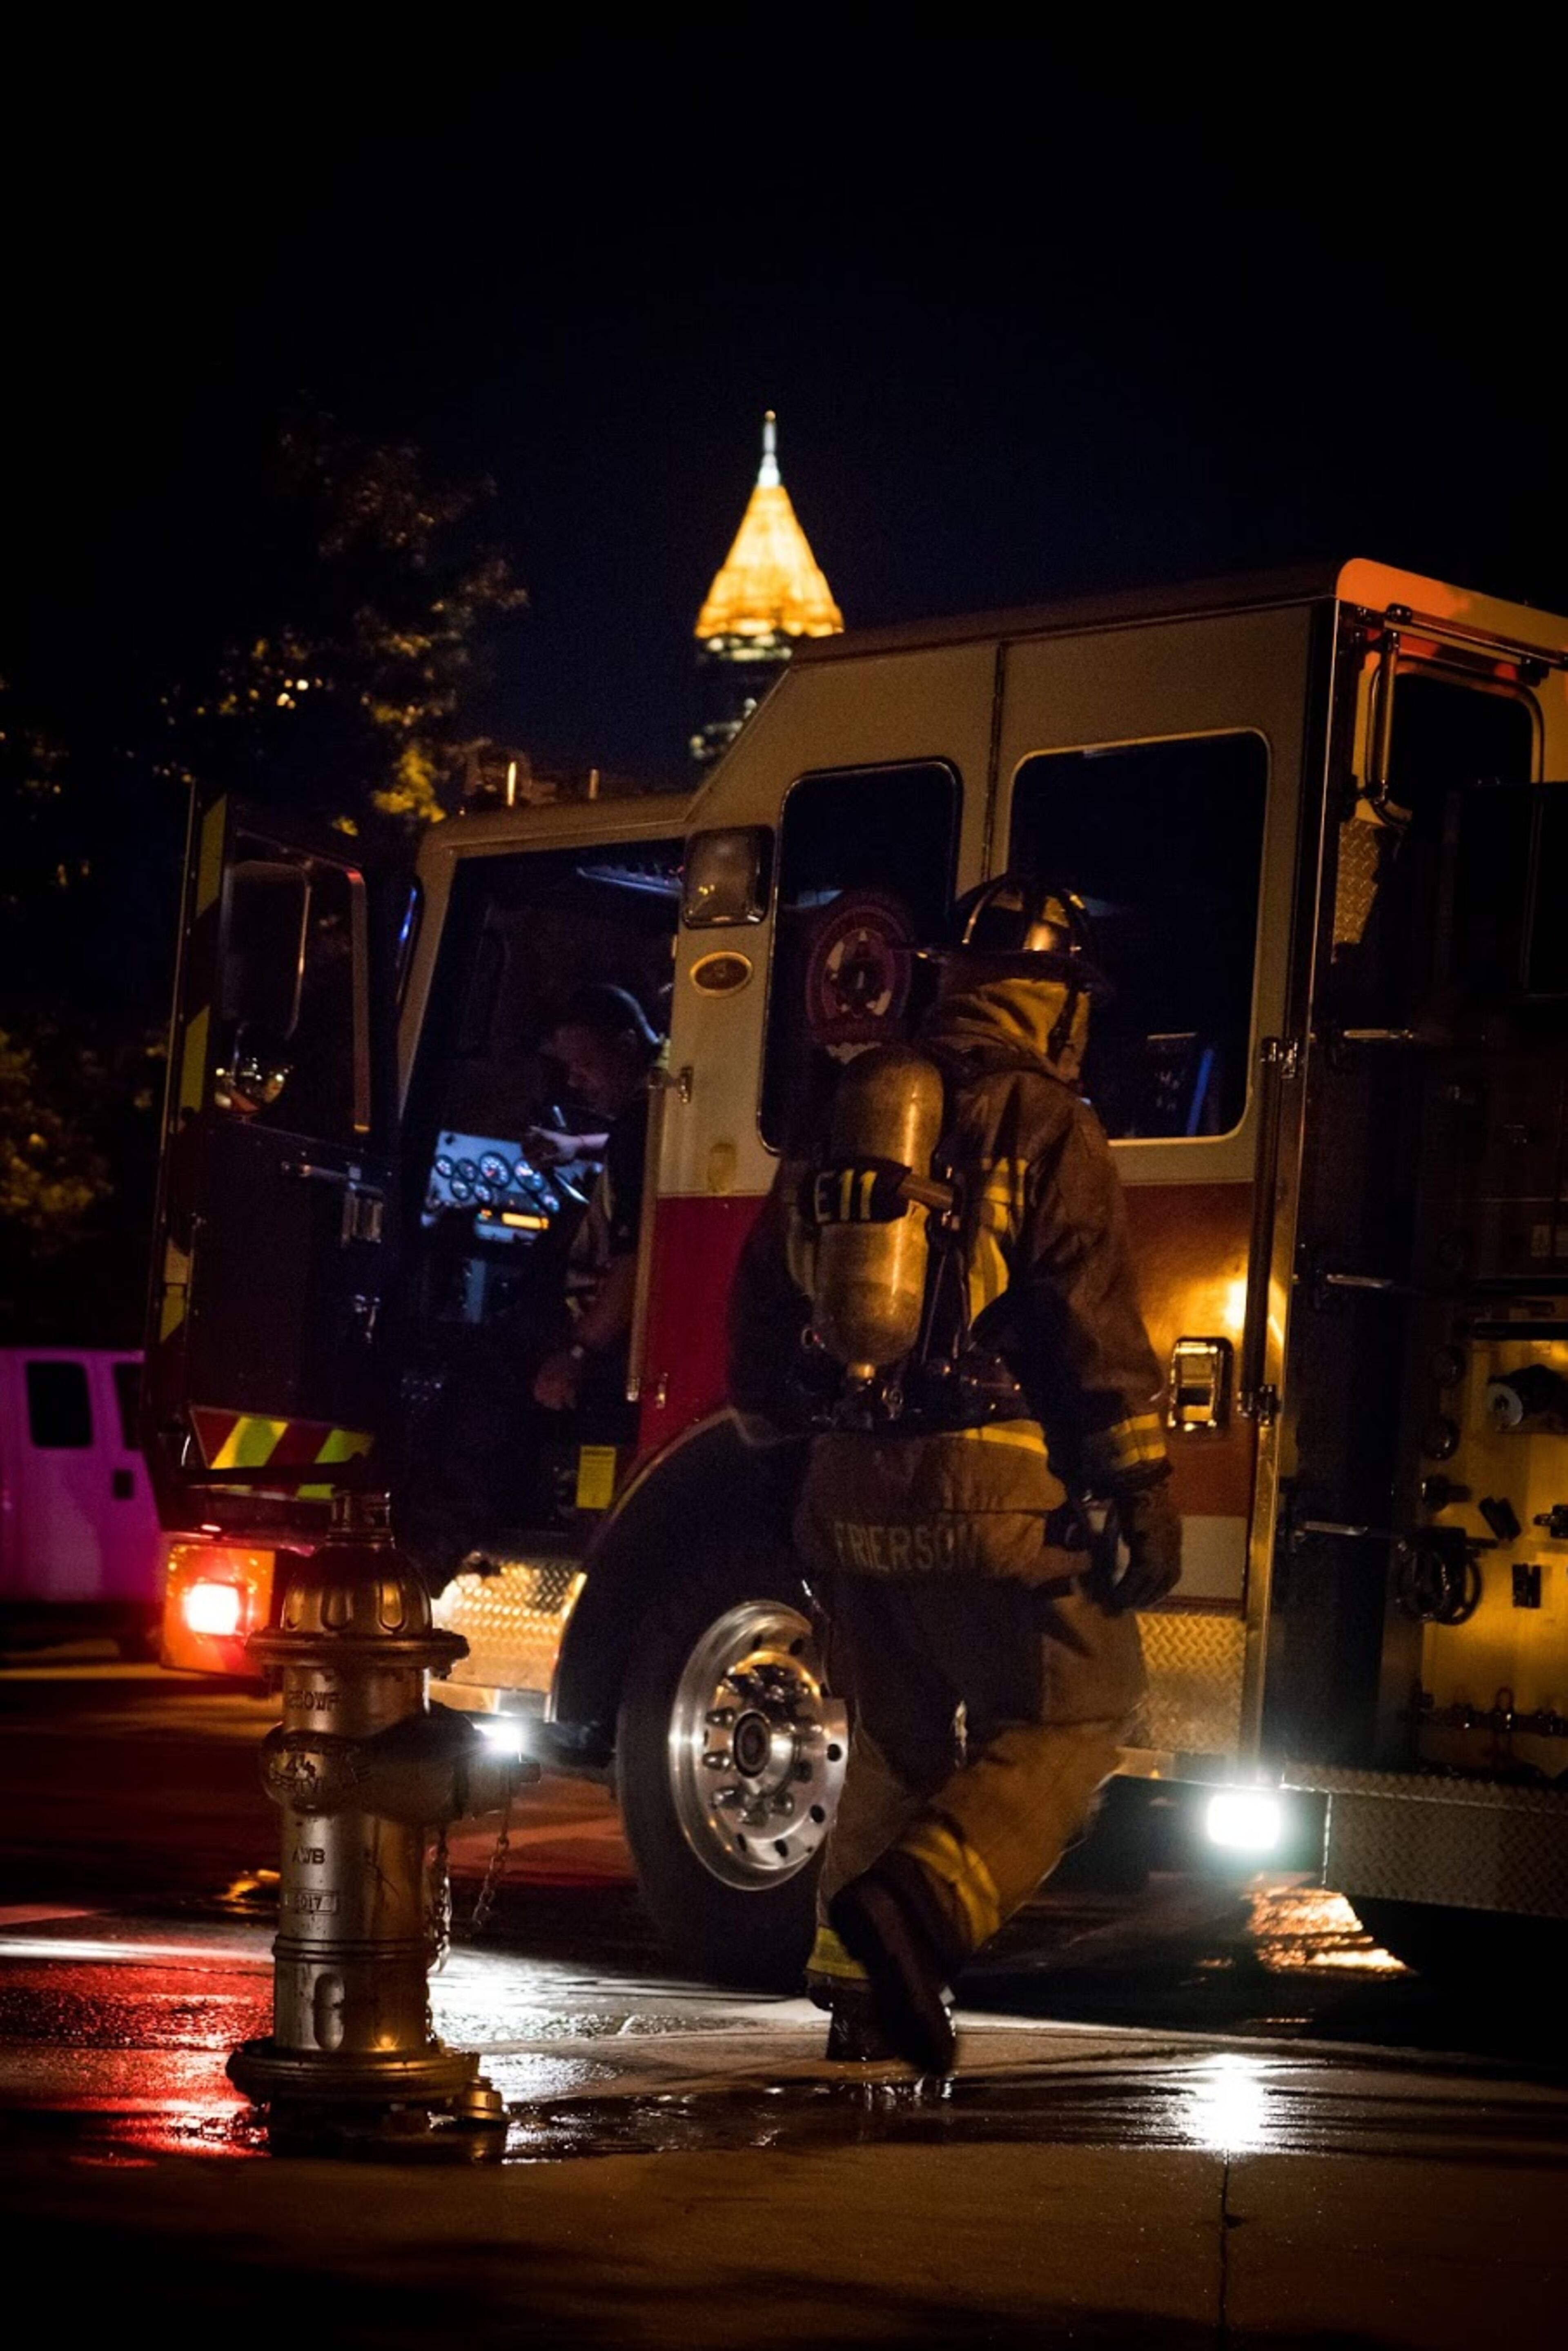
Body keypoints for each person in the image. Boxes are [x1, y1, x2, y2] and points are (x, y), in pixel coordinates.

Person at [726, 875, 1181, 2073]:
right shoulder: (1048, 1119)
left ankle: (858, 1998)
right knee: (1072, 1709)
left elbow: (761, 1299)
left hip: (845, 1491)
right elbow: (1087, 1317)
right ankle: (918, 1913)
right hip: (990, 1493)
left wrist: (781, 1441)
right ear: (1057, 1001)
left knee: (894, 1741)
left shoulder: (848, 1110)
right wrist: (1137, 1482)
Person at [530, 984, 661, 1416]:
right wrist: (576, 1147)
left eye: (585, 1065)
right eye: (569, 1068)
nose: (573, 1081)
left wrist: (577, 1353)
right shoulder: (660, 1102)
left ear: (626, 1045)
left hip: (611, 1352)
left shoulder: (640, 1127)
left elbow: (634, 1262)